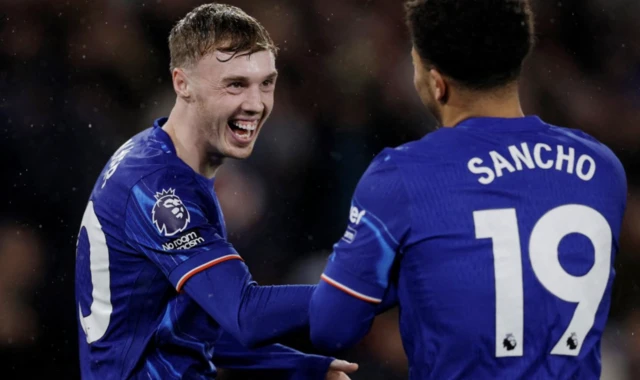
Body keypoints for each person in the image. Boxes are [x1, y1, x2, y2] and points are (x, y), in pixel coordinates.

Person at [309, 0, 627, 379]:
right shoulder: (602, 168)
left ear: (437, 82)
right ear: (518, 59)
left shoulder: (403, 176)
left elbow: (331, 327)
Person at [75, 3, 357, 379]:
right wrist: (370, 284)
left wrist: (300, 366)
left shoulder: (162, 159)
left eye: (266, 83)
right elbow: (245, 313)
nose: (256, 104)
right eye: (235, 84)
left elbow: (194, 324)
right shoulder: (156, 189)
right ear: (182, 83)